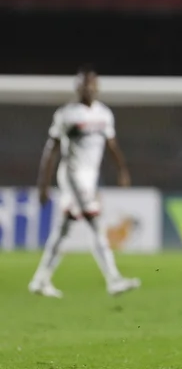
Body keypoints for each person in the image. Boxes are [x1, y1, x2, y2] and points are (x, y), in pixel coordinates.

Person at [29, 67, 140, 298]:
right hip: (71, 175)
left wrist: (122, 169)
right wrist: (43, 184)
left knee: (64, 229)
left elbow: (111, 144)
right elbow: (51, 150)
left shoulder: (104, 114)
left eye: (92, 85)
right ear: (78, 88)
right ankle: (113, 280)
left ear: (97, 88)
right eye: (84, 85)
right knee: (96, 223)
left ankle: (40, 280)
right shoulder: (67, 115)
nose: (88, 89)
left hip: (89, 178)